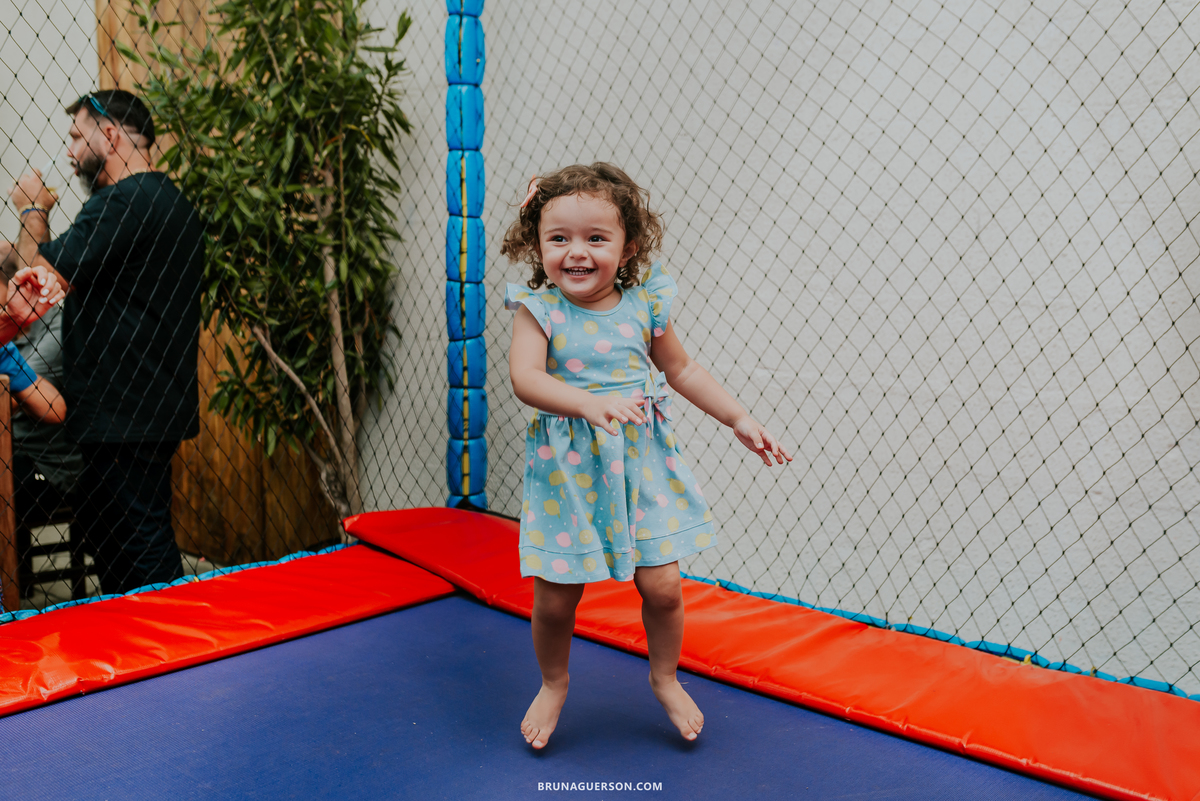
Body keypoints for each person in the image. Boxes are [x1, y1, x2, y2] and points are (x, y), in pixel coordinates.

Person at [502, 163, 791, 750]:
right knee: (556, 599)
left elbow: (681, 369)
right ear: (537, 244)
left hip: (642, 469)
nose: (576, 253)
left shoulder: (644, 305)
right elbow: (525, 379)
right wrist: (586, 403)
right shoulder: (541, 310)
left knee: (662, 587)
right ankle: (554, 683)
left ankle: (664, 677)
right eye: (559, 238)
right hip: (570, 477)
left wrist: (739, 418)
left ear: (627, 246)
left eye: (595, 238)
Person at [9, 89, 204, 594]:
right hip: (148, 406)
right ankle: (140, 647)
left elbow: (36, 277)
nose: (70, 150)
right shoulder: (170, 202)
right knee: (114, 537)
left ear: (110, 134)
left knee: (140, 544)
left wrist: (31, 208)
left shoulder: (122, 202)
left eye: (77, 136)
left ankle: (174, 655)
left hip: (123, 417)